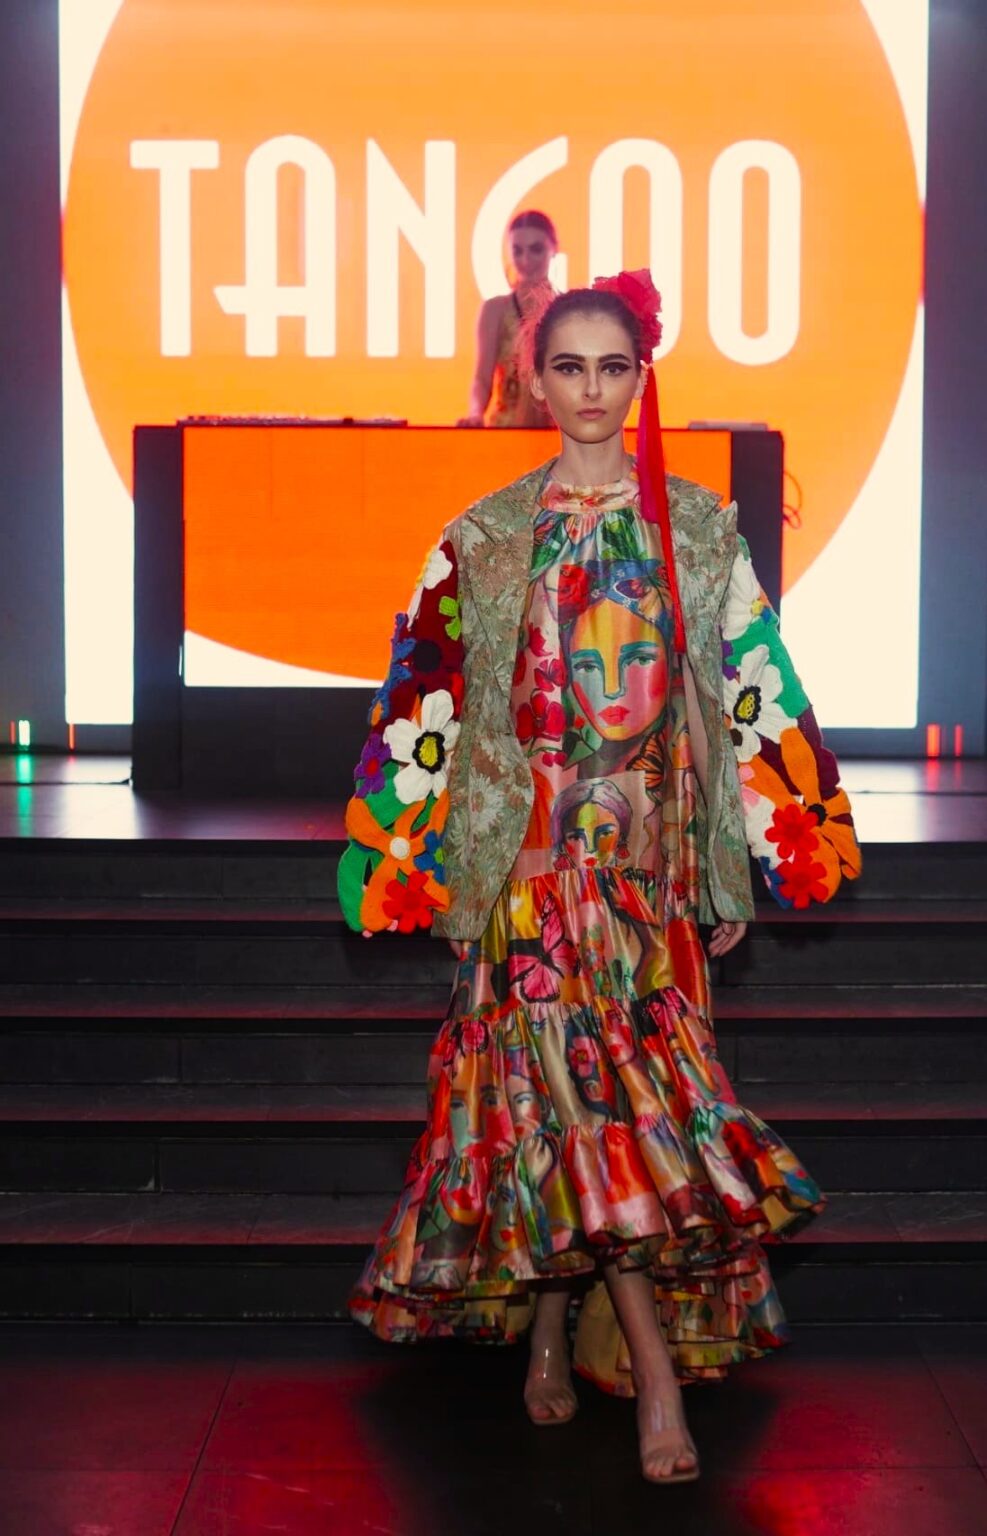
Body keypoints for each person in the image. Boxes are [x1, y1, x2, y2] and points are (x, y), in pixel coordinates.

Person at [337, 269, 862, 1485]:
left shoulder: (697, 529)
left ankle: (548, 1336)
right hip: (528, 872)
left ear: (641, 377)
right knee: (567, 1105)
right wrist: (413, 867)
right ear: (533, 377)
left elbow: (744, 693)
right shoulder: (483, 536)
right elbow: (425, 700)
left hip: (645, 873)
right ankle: (657, 1384)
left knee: (597, 1110)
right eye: (568, 366)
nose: (590, 389)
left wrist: (745, 860)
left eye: (612, 367)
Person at [457, 210, 558, 428]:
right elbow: (482, 379)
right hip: (504, 431)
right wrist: (475, 413)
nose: (526, 260)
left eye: (536, 249)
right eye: (517, 250)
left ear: (554, 249)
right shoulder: (494, 309)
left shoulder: (566, 310)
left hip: (556, 434)